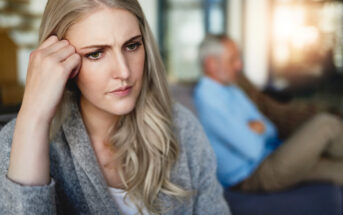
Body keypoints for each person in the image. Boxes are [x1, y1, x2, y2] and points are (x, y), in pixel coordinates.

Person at [0, 1, 231, 214]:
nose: (124, 72)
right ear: (61, 62)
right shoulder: (17, 142)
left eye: (132, 46)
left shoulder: (181, 126)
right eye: (96, 54)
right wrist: (33, 117)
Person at [194, 34, 343, 192]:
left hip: (272, 153)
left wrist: (257, 129)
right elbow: (253, 149)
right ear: (211, 64)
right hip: (255, 174)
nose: (239, 65)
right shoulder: (207, 98)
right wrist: (256, 129)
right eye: (232, 59)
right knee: (326, 124)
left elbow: (271, 129)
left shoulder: (231, 89)